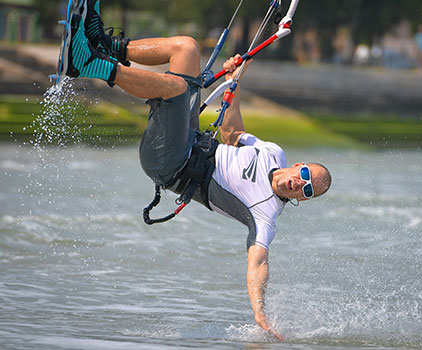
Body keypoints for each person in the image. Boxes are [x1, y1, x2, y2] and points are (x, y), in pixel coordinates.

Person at [61, 0, 332, 340]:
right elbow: (231, 133)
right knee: (186, 49)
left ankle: (88, 63)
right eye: (306, 177)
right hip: (189, 137)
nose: (300, 185)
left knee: (175, 89)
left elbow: (258, 264)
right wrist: (234, 81)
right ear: (298, 166)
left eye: (308, 191)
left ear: (303, 200)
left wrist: (260, 312)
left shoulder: (265, 216)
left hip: (171, 163)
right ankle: (104, 44)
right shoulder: (271, 152)